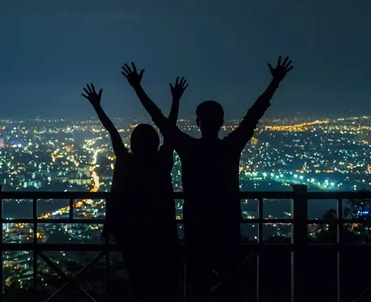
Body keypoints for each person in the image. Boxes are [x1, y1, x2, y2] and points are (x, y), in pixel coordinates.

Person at [123, 57, 293, 302]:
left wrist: (137, 87)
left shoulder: (189, 149)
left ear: (197, 123)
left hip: (197, 229)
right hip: (227, 228)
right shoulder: (230, 148)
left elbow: (159, 120)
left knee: (200, 289)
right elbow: (253, 115)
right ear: (222, 123)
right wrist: (275, 82)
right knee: (232, 288)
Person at [81, 78, 187, 302]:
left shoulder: (127, 163)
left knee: (139, 284)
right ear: (155, 143)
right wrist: (176, 100)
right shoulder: (160, 162)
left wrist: (97, 106)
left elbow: (112, 132)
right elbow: (170, 131)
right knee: (164, 286)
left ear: (134, 143)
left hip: (134, 234)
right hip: (162, 233)